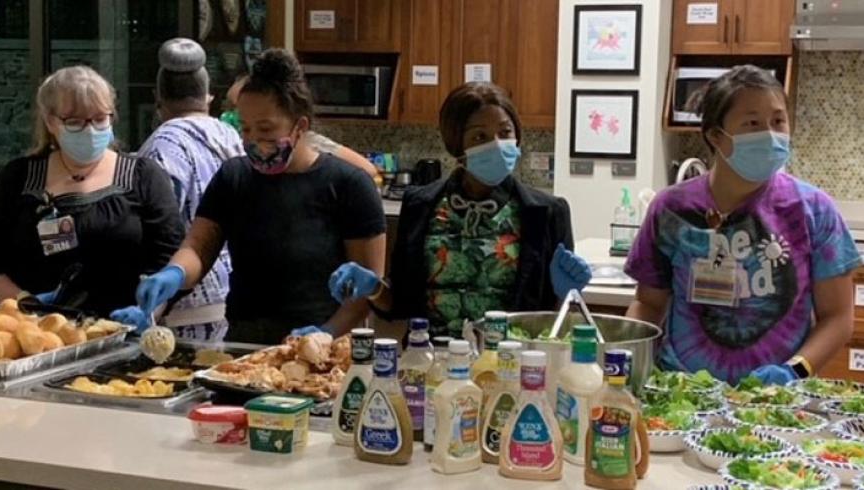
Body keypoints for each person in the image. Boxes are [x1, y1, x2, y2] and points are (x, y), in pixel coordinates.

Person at [624, 65, 861, 385]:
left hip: (771, 400)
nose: (770, 134)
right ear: (716, 136)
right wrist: (625, 362)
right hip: (681, 394)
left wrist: (795, 370)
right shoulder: (671, 209)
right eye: (752, 123)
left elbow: (838, 317)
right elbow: (648, 304)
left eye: (778, 121)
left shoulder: (813, 211)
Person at [135, 49, 386, 345]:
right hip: (244, 346)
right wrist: (174, 274)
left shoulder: (348, 185)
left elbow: (366, 292)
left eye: (266, 129)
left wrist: (326, 334)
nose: (253, 140)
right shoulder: (234, 178)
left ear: (300, 126)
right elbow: (199, 248)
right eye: (246, 129)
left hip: (327, 351)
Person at [328, 82, 592, 338]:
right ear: (457, 146)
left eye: (505, 132)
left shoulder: (547, 212)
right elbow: (401, 306)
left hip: (513, 363)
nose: (497, 144)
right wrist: (373, 287)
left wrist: (568, 295)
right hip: (431, 357)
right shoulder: (420, 206)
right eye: (480, 136)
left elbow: (557, 327)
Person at [0, 66, 183, 320]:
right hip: (38, 337)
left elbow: (170, 259)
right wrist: (25, 306)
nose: (90, 130)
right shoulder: (19, 178)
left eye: (99, 119)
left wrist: (148, 312)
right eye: (75, 122)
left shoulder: (143, 177)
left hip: (122, 332)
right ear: (50, 122)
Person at [135, 38, 244, 341]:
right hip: (228, 295)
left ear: (158, 98)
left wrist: (151, 304)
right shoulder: (231, 136)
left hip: (182, 307)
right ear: (208, 96)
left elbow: (161, 235)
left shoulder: (162, 148)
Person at [221, 74, 379, 179]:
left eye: (265, 128)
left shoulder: (307, 142)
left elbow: (368, 169)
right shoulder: (230, 153)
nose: (231, 115)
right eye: (230, 108)